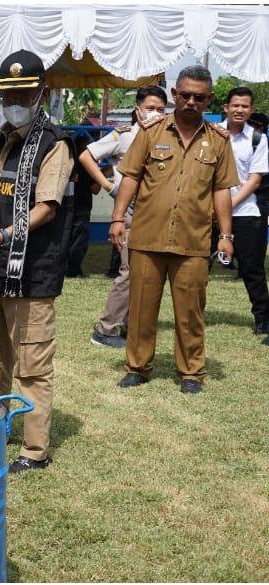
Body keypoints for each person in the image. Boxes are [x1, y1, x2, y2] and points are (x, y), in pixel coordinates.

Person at [0, 50, 75, 473]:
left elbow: (45, 208)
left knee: (32, 366)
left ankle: (34, 451)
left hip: (32, 273)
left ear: (41, 94)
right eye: (8, 94)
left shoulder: (56, 144)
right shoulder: (4, 138)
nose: (14, 102)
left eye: (22, 95)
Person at [111, 65, 239, 394]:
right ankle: (137, 367)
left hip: (193, 240)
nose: (191, 102)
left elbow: (221, 190)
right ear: (174, 96)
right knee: (140, 308)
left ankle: (191, 372)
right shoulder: (151, 132)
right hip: (147, 237)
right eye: (185, 95)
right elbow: (131, 177)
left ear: (209, 100)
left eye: (199, 97)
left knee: (191, 312)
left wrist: (225, 236)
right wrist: (116, 219)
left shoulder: (219, 142)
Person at [81, 86, 168, 348]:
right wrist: (110, 187)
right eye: (151, 108)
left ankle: (131, 326)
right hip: (130, 212)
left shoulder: (166, 137)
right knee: (129, 271)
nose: (156, 113)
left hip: (156, 214)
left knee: (146, 272)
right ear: (138, 109)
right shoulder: (125, 136)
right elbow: (86, 155)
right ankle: (105, 329)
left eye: (161, 109)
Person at [220, 87, 269, 334]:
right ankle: (191, 314)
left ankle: (263, 320)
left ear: (250, 110)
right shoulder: (209, 134)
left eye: (245, 106)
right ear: (225, 107)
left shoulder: (257, 138)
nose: (240, 110)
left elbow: (255, 180)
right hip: (205, 214)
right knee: (194, 267)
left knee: (252, 269)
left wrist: (227, 205)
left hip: (245, 213)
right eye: (235, 105)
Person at [65, 135, 99, 277]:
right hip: (82, 207)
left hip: (66, 206)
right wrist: (104, 174)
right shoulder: (87, 166)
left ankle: (65, 269)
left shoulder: (68, 163)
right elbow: (95, 189)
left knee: (66, 239)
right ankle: (73, 270)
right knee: (79, 241)